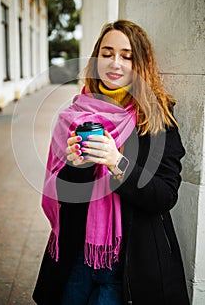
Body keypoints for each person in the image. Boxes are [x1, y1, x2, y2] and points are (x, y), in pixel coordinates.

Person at [33, 20, 190, 305]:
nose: (114, 63)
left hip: (130, 266)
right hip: (76, 258)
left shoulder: (157, 119)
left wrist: (117, 162)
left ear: (139, 63)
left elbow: (165, 196)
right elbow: (63, 197)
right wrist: (75, 165)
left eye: (126, 56)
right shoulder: (72, 116)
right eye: (106, 54)